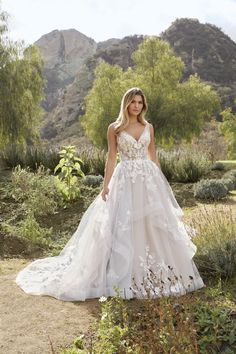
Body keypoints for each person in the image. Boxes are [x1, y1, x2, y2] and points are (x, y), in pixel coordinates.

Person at [15, 87, 205, 301]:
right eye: (133, 102)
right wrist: (106, 186)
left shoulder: (148, 127)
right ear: (126, 104)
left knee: (153, 224)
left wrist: (161, 183)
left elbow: (153, 156)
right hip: (125, 179)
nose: (136, 106)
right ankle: (124, 273)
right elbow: (112, 158)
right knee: (124, 224)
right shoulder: (114, 128)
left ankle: (158, 271)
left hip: (148, 180)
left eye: (140, 102)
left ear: (144, 105)